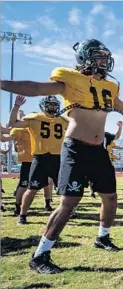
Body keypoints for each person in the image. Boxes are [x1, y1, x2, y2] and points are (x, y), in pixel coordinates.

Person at [0, 38, 123, 274]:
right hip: (75, 148)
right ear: (85, 58)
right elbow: (36, 88)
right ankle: (40, 254)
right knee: (69, 203)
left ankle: (102, 237)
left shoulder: (110, 87)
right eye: (99, 56)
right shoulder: (71, 79)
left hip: (98, 151)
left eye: (106, 57)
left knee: (111, 198)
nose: (104, 61)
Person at [8, 95, 68, 225]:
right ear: (43, 105)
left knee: (65, 189)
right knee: (32, 188)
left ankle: (68, 211)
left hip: (58, 158)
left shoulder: (63, 120)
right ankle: (22, 215)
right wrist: (16, 106)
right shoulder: (34, 118)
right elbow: (12, 124)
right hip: (40, 158)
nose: (52, 107)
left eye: (53, 104)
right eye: (49, 104)